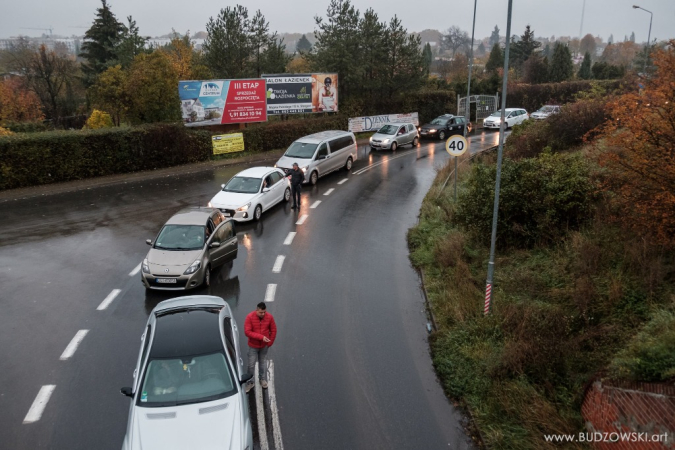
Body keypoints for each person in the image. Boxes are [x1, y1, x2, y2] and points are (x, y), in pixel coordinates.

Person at [244, 302, 277, 392]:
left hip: (264, 346)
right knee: (251, 365)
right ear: (256, 310)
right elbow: (247, 332)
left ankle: (261, 379)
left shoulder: (269, 317)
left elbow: (273, 330)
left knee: (262, 363)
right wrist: (261, 337)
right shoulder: (250, 317)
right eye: (261, 312)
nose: (263, 314)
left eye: (264, 312)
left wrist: (270, 343)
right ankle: (250, 381)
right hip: (253, 346)